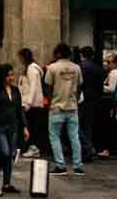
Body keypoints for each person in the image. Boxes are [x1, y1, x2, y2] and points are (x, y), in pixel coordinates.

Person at [44, 43, 83, 177]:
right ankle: (78, 166)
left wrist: (50, 102)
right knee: (74, 137)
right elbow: (79, 87)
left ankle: (60, 165)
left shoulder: (53, 68)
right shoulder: (76, 68)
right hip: (72, 107)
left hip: (57, 107)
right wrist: (75, 100)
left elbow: (48, 87)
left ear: (58, 53)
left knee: (55, 136)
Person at [0, 63, 26, 194]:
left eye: (12, 74)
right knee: (5, 152)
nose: (12, 77)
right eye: (9, 75)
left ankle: (6, 183)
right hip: (0, 127)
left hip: (13, 126)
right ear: (3, 76)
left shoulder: (15, 90)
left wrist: (25, 127)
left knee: (9, 154)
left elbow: (19, 110)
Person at [17, 48, 47, 159]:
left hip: (32, 104)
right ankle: (31, 147)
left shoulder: (31, 69)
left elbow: (33, 87)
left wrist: (28, 103)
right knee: (31, 126)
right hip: (31, 103)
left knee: (32, 127)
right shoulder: (29, 69)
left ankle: (33, 148)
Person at [77, 47, 104, 159]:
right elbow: (100, 87)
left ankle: (86, 148)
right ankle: (88, 149)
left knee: (77, 125)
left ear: (81, 55)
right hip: (93, 100)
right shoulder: (99, 68)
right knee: (88, 126)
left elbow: (78, 84)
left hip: (81, 99)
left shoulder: (79, 67)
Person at [99, 54, 117, 159]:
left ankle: (108, 149)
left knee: (109, 126)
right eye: (106, 62)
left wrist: (100, 86)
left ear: (114, 62)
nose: (107, 64)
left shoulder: (114, 73)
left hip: (112, 102)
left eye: (109, 62)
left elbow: (111, 89)